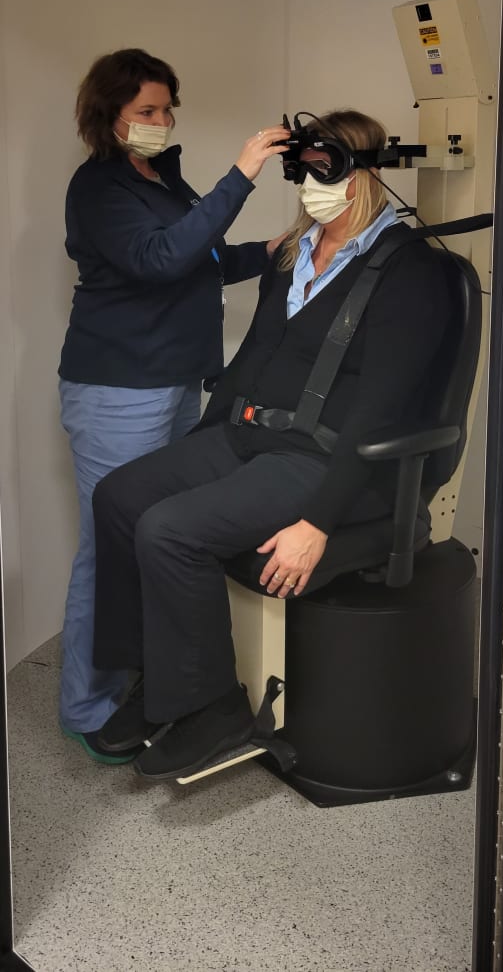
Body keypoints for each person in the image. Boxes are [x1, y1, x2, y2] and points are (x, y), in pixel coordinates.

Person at [89, 109, 455, 781]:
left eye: (324, 171)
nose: (311, 186)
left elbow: (381, 409)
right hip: (250, 433)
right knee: (121, 496)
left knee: (170, 530)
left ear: (364, 174)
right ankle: (156, 682)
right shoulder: (292, 255)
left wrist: (318, 522)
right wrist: (198, 450)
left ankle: (211, 708)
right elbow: (251, 360)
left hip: (323, 456)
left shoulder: (411, 272)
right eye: (301, 171)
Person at [58, 47, 289, 762]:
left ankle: (151, 689)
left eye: (166, 109)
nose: (161, 121)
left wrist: (273, 250)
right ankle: (87, 707)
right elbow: (157, 260)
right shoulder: (98, 188)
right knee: (111, 545)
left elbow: (201, 259)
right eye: (146, 111)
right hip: (118, 391)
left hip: (180, 382)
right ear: (109, 115)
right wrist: (241, 175)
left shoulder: (161, 178)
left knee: (158, 536)